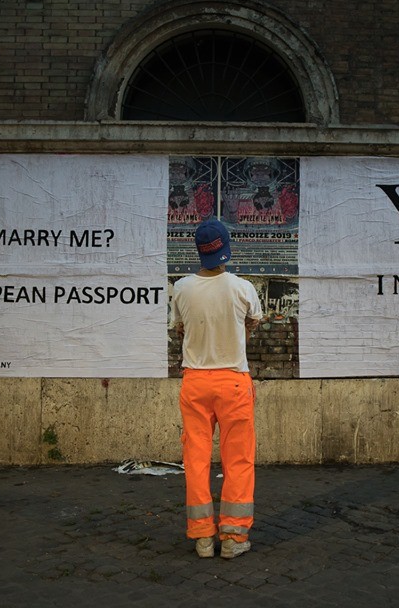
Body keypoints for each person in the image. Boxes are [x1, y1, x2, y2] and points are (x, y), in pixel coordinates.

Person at [170, 218, 263, 559]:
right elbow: (253, 320)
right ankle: (234, 539)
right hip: (233, 381)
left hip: (195, 381)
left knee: (195, 460)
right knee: (237, 459)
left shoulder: (181, 288)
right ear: (226, 249)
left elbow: (179, 329)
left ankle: (203, 538)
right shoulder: (242, 288)